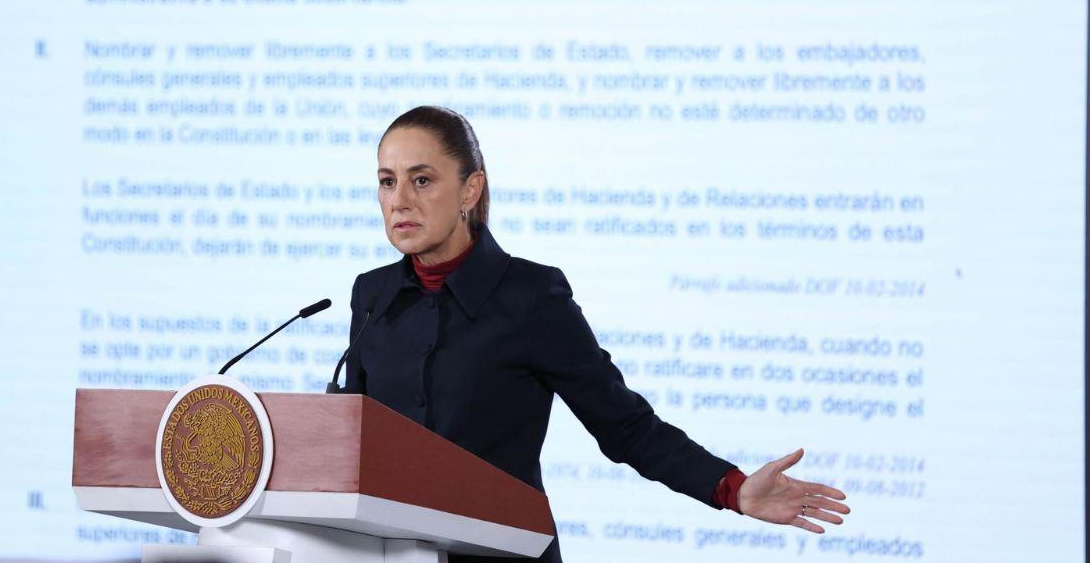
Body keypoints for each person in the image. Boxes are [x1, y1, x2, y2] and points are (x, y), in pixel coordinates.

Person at [341, 106, 849, 562]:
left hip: (502, 553)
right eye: (387, 181)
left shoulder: (531, 297)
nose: (399, 200)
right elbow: (350, 440)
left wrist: (731, 488)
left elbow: (625, 426)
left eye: (421, 180)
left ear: (470, 190)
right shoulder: (372, 295)